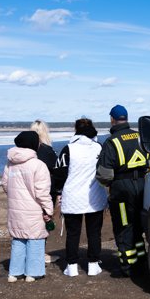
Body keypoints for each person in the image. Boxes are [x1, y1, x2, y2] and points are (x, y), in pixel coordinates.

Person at [96, 105, 148, 276]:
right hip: (142, 186)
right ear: (126, 118)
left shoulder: (112, 142)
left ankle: (127, 266)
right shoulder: (141, 137)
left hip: (121, 190)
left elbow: (104, 174)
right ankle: (142, 261)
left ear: (112, 119)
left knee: (124, 226)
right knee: (139, 225)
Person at [53, 118, 108, 277]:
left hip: (72, 197)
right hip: (95, 196)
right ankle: (93, 265)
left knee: (73, 233)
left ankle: (72, 267)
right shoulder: (99, 147)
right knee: (94, 232)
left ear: (75, 130)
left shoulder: (68, 149)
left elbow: (59, 173)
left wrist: (58, 191)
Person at [1, 131, 53, 283]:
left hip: (15, 208)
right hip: (33, 210)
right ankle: (33, 273)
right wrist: (48, 209)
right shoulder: (38, 165)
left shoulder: (10, 164)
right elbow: (42, 192)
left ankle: (14, 273)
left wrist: (15, 197)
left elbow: (5, 184)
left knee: (18, 239)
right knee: (35, 240)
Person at [29, 119, 58, 264]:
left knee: (30, 222)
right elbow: (56, 169)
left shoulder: (28, 151)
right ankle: (40, 254)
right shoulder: (47, 151)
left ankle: (33, 253)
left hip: (28, 192)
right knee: (44, 221)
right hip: (46, 191)